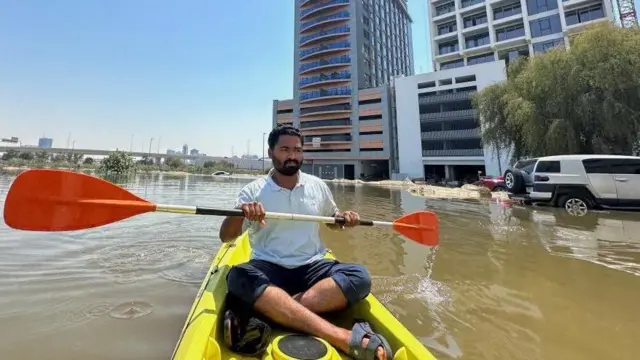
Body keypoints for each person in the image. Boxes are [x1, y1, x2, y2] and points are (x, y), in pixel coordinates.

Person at [218, 125, 392, 360]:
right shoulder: (253, 190)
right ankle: (340, 336)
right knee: (238, 277)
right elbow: (226, 237)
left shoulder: (317, 185)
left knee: (359, 277)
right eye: (285, 149)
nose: (292, 156)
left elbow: (332, 219)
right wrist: (240, 213)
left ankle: (272, 312)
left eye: (297, 150)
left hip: (313, 266)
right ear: (271, 152)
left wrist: (345, 219)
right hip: (269, 267)